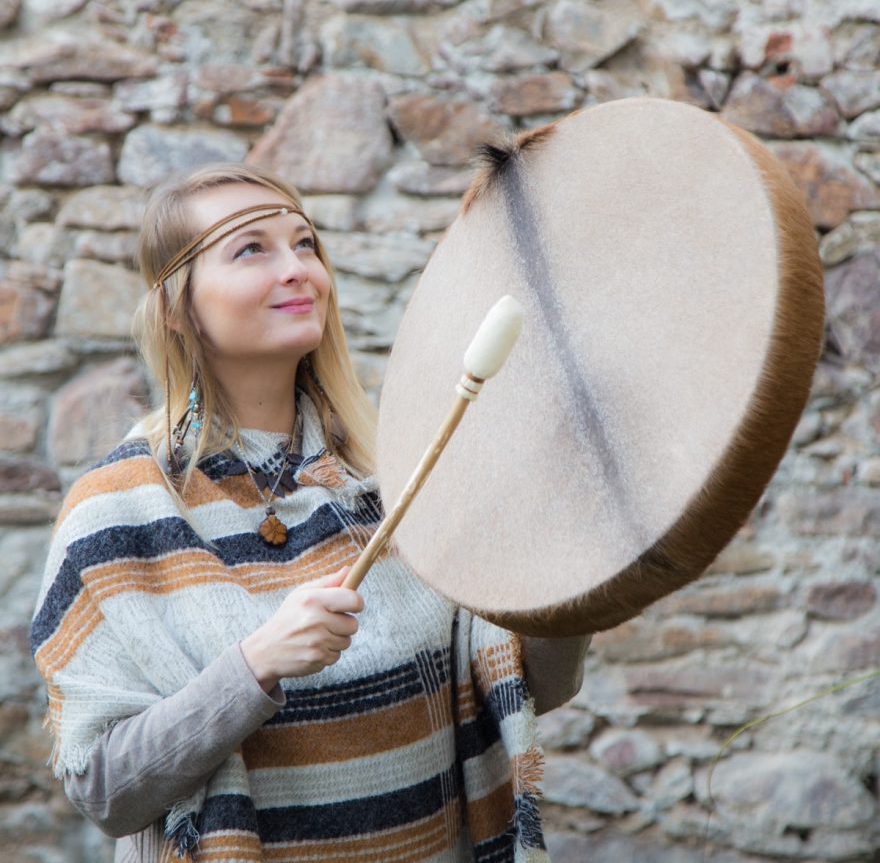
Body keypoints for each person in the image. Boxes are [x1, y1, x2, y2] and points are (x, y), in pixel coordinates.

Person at [30, 163, 590, 863]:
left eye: (305, 244)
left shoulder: (393, 475)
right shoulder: (116, 512)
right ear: (178, 307)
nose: (298, 269)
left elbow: (526, 684)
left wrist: (583, 563)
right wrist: (255, 667)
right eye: (251, 249)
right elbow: (106, 791)